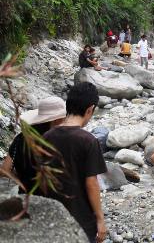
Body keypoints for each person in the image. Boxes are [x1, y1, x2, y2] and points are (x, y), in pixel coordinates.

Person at [41, 83, 107, 243]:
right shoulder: (89, 141)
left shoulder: (47, 136)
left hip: (53, 217)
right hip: (81, 220)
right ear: (90, 109)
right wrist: (100, 219)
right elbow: (91, 183)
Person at [0, 97, 66, 194]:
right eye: (64, 117)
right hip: (51, 200)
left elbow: (4, 170)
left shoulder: (20, 138)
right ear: (57, 120)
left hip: (24, 197)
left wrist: (22, 178)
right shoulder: (58, 141)